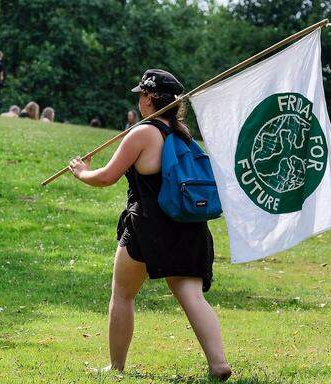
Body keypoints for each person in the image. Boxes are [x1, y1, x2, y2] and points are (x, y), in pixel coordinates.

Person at [67, 69, 232, 381]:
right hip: (188, 223)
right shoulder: (181, 131)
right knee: (191, 295)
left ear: (148, 99)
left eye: (140, 95)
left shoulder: (142, 133)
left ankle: (116, 367)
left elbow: (106, 177)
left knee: (123, 294)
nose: (139, 100)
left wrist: (80, 171)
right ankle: (218, 362)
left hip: (149, 227)